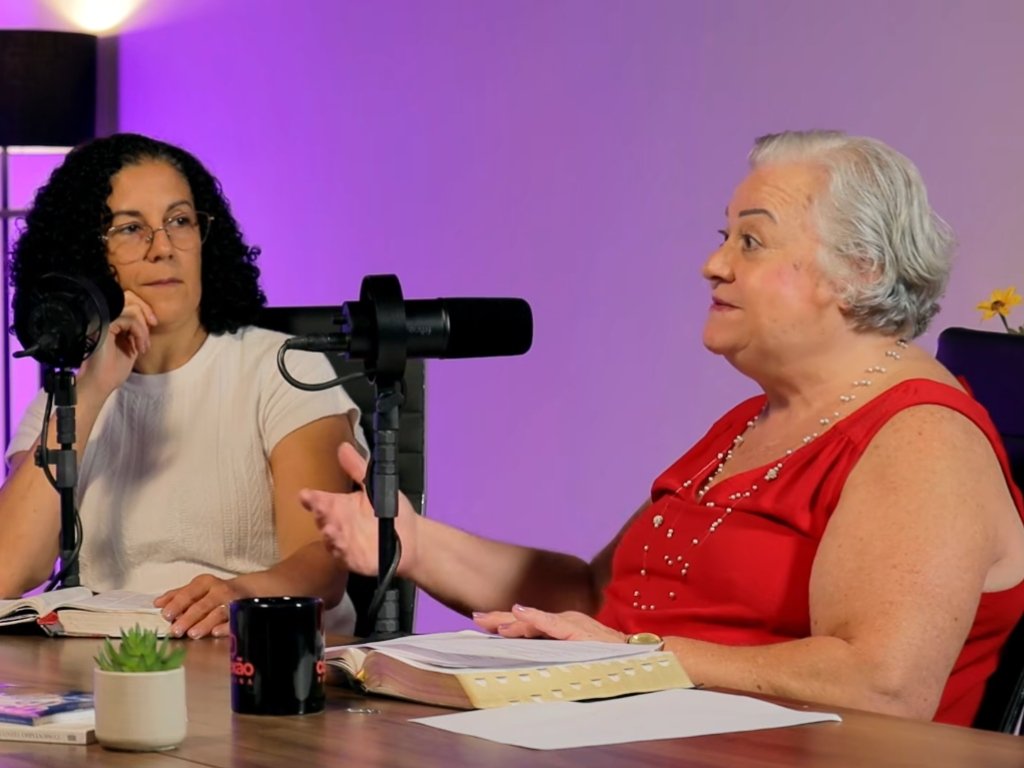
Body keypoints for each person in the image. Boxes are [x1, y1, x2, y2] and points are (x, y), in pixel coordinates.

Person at [301, 130, 1024, 726]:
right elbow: (594, 598)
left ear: (858, 271)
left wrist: (636, 657)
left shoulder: (923, 438)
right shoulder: (753, 420)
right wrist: (411, 540)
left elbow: (881, 683)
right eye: (724, 237)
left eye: (751, 242)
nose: (714, 265)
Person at [0, 133, 365, 637]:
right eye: (131, 228)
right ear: (86, 254)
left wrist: (243, 593)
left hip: (249, 647)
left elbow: (324, 562)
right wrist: (93, 390)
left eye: (179, 221)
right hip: (113, 659)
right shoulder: (66, 398)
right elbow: (7, 573)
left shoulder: (285, 369)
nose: (163, 249)